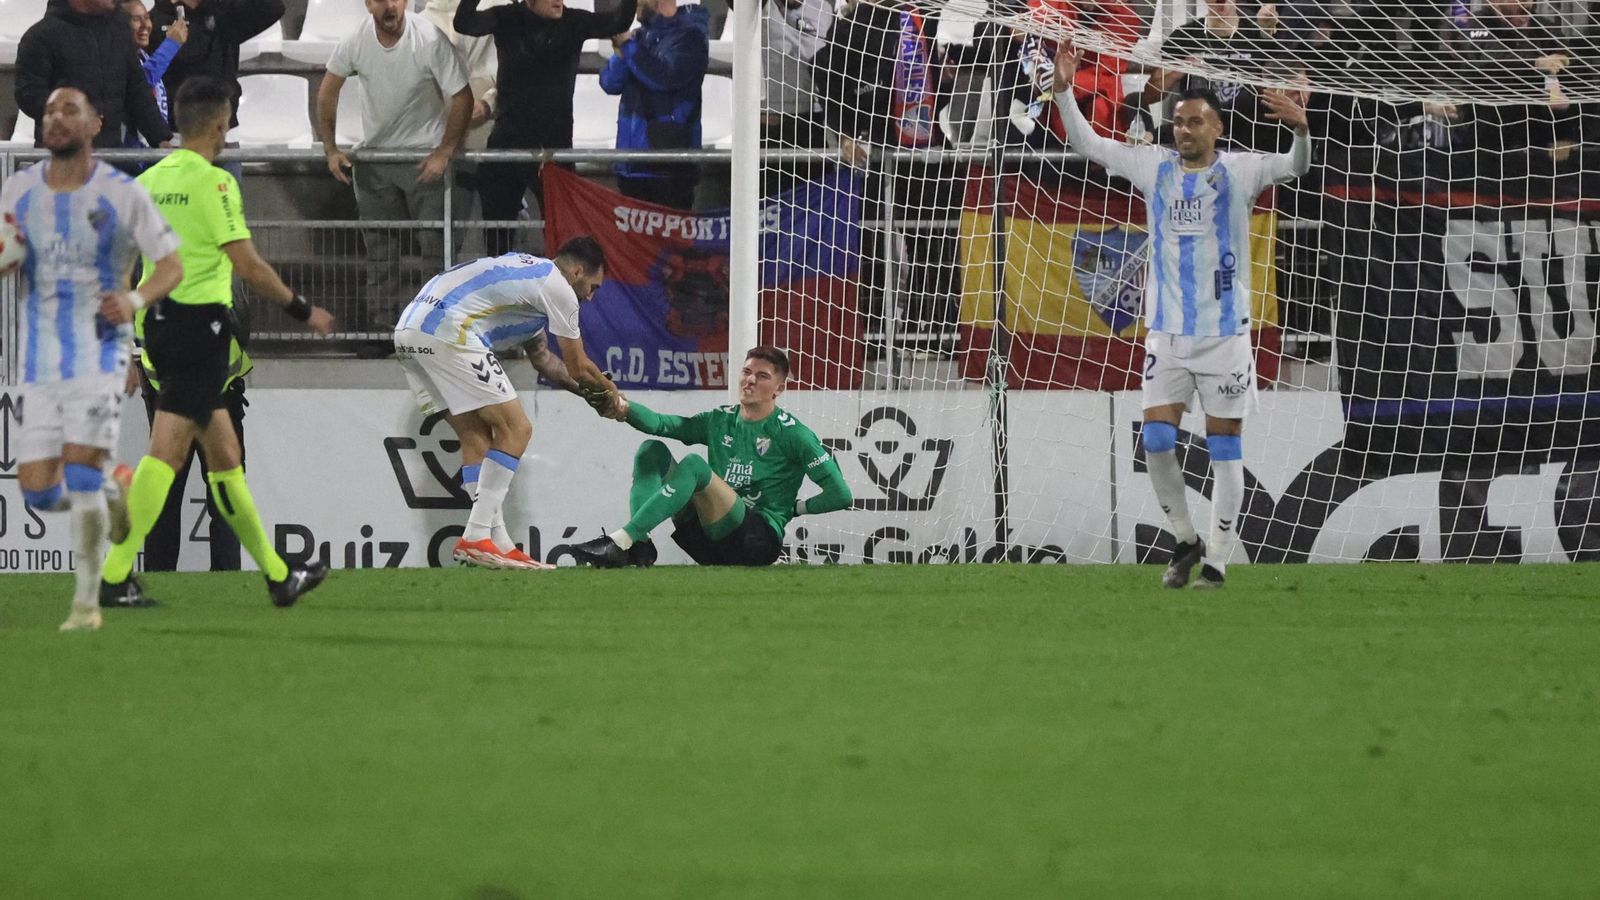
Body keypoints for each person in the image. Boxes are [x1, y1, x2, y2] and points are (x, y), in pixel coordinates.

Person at [1053, 39, 1311, 588]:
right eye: (1178, 121)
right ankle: (1185, 538)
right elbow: (1087, 144)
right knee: (1157, 441)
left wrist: (1300, 129)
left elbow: (1296, 166)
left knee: (1223, 448)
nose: (1184, 130)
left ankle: (1216, 558)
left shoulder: (1242, 172)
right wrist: (1063, 92)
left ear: (1216, 128)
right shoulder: (1153, 167)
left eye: (1195, 121)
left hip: (1225, 337)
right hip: (1166, 334)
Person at [97, 76, 338, 608]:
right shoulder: (216, 184)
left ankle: (279, 578)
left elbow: (122, 261)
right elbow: (247, 264)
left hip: (159, 329)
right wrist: (301, 309)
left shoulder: (149, 182)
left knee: (224, 458)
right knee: (165, 458)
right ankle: (112, 576)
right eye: (229, 118)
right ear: (218, 122)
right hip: (199, 330)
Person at [0, 87, 184, 631]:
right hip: (38, 362)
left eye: (68, 110)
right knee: (38, 490)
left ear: (95, 124)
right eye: (49, 111)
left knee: (79, 472)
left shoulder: (121, 194)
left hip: (99, 354)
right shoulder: (17, 189)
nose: (54, 118)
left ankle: (86, 605)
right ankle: (114, 488)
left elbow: (172, 265)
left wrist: (132, 300)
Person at [391, 237, 615, 569]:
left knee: (475, 436)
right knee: (517, 429)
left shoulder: (526, 279)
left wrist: (585, 392)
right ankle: (476, 536)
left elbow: (545, 361)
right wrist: (612, 396)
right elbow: (578, 365)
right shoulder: (559, 288)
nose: (590, 297)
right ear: (577, 271)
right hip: (447, 330)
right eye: (592, 287)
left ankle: (496, 542)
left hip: (409, 332)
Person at [569, 346, 854, 568]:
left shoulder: (794, 434)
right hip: (707, 539)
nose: (750, 380)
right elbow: (661, 423)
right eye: (746, 372)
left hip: (756, 539)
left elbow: (841, 495)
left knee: (694, 465)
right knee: (650, 451)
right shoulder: (719, 420)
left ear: (780, 388)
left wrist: (796, 508)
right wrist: (620, 406)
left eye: (763, 376)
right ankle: (639, 545)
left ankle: (621, 542)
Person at [317, 0, 474, 332]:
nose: (389, 6)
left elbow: (462, 95)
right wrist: (330, 148)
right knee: (380, 253)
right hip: (376, 161)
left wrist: (445, 151)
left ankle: (436, 329)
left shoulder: (429, 38)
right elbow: (328, 90)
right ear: (367, 4)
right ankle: (380, 328)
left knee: (437, 252)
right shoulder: (355, 40)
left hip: (424, 160)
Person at [454, 0, 639, 256]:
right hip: (507, 147)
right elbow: (464, 23)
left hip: (555, 150)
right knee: (498, 236)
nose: (559, 1)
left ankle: (560, 292)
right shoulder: (506, 17)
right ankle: (502, 289)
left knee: (563, 236)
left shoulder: (574, 22)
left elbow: (619, 21)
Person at [14, 0, 173, 149]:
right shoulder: (40, 37)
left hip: (112, 158)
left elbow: (138, 90)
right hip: (59, 159)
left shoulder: (119, 30)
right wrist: (73, 117)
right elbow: (28, 94)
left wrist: (161, 140)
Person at [599, 0, 710, 210]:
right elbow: (609, 83)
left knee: (668, 242)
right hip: (631, 166)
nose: (634, 3)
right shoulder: (639, 36)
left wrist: (629, 47)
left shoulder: (690, 36)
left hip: (668, 169)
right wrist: (620, 54)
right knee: (632, 243)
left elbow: (664, 77)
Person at [148, 0, 286, 134]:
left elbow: (273, 6)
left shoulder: (225, 13)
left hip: (223, 128)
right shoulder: (153, 19)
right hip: (176, 131)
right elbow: (145, 77)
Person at [122, 0, 188, 150]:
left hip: (148, 154)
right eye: (136, 19)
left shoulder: (143, 56)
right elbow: (138, 85)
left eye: (146, 17)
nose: (145, 25)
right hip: (129, 159)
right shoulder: (116, 60)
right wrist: (171, 45)